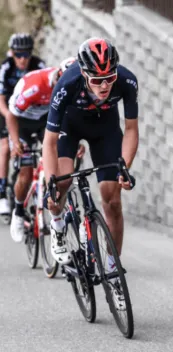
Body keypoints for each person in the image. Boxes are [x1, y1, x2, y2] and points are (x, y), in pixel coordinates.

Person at [43, 38, 138, 309]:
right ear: (84, 74)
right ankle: (59, 223)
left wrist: (125, 166)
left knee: (112, 199)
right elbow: (49, 142)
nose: (104, 85)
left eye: (109, 78)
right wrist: (51, 181)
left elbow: (131, 129)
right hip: (68, 129)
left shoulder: (127, 82)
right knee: (62, 181)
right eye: (96, 80)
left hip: (104, 130)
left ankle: (112, 271)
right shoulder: (67, 85)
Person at [5, 57, 77, 242]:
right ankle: (19, 211)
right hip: (22, 124)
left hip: (46, 123)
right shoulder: (35, 86)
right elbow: (11, 116)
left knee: (58, 158)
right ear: (58, 77)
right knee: (26, 172)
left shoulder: (72, 88)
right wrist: (15, 141)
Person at [0, 33, 45, 217]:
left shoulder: (38, 65)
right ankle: (2, 193)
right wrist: (8, 115)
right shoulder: (6, 67)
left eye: (26, 55)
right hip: (8, 110)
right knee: (4, 147)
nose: (22, 59)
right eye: (18, 55)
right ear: (12, 53)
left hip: (31, 112)